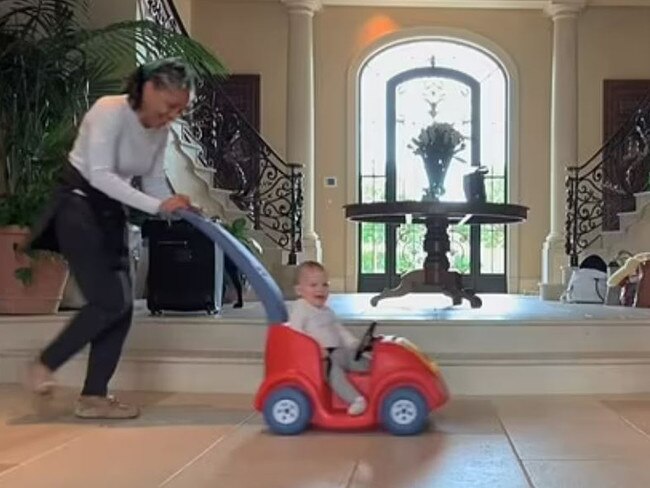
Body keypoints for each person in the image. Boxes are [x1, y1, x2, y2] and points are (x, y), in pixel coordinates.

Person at [24, 58, 196, 419]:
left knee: (122, 308)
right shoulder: (109, 111)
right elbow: (100, 175)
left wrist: (174, 205)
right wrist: (157, 204)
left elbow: (151, 182)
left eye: (181, 109)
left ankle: (93, 397)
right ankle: (43, 364)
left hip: (112, 214)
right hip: (78, 206)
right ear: (149, 89)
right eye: (170, 106)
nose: (173, 115)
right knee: (108, 300)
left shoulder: (160, 132)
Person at [288, 261, 370, 416]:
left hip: (338, 351)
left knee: (360, 358)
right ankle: (355, 399)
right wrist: (315, 349)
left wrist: (353, 343)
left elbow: (339, 330)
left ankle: (379, 373)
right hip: (320, 359)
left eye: (325, 285)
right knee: (334, 373)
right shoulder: (301, 308)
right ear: (299, 290)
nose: (320, 289)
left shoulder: (327, 311)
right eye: (313, 285)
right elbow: (296, 333)